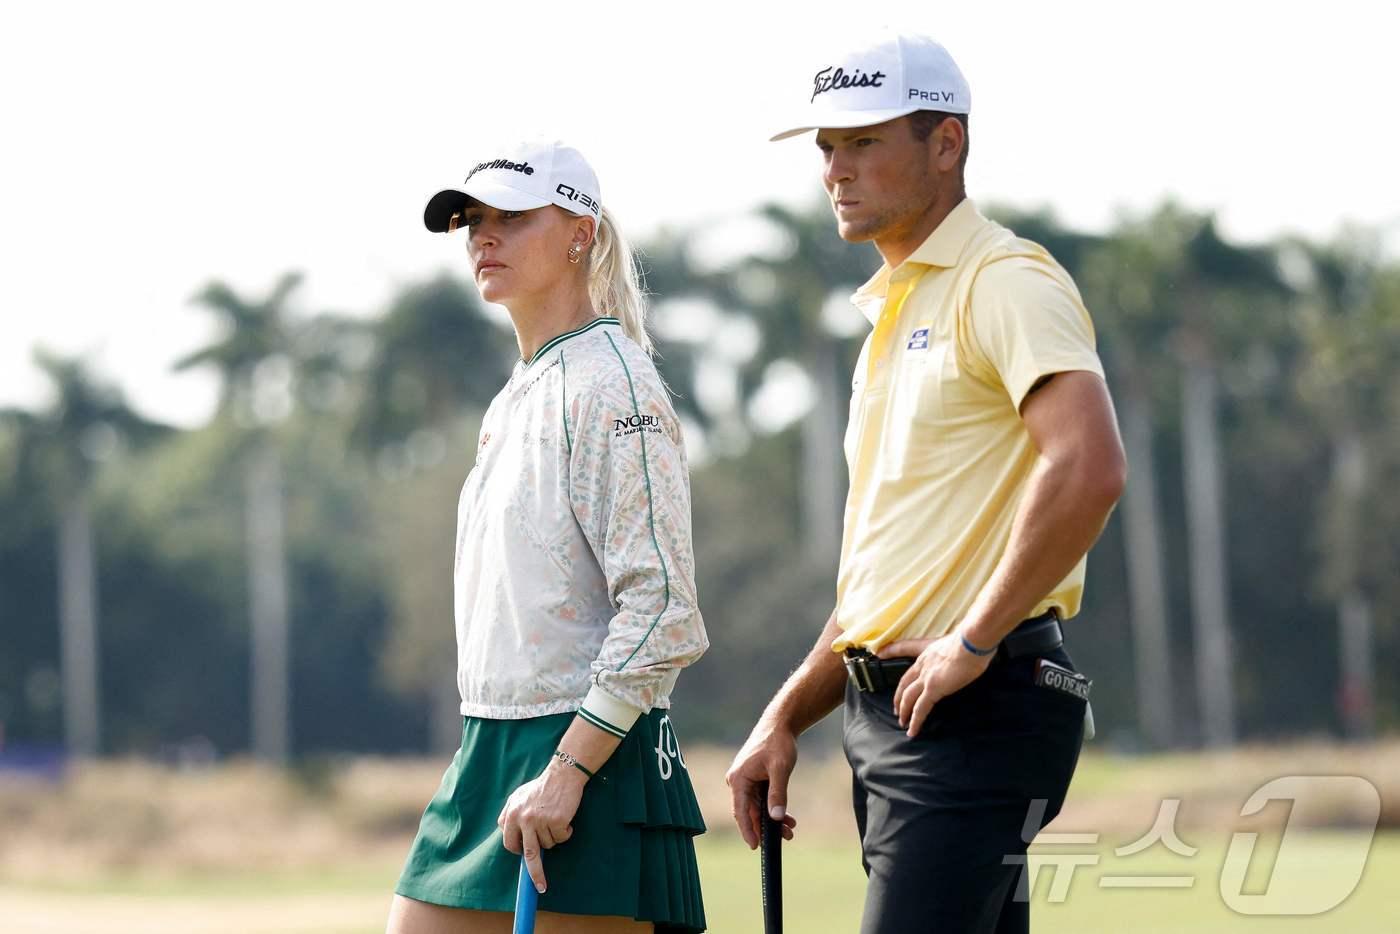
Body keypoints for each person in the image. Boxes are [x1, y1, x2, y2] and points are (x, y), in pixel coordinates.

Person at [726, 32, 1128, 934]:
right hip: (894, 720)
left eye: (864, 142)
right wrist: (785, 713)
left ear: (946, 144)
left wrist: (975, 641)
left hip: (979, 706)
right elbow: (887, 584)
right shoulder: (892, 319)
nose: (835, 169)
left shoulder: (1006, 279)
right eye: (826, 147)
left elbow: (1091, 465)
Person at [388, 140, 709, 934]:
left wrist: (568, 770)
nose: (482, 237)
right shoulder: (516, 394)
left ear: (579, 233)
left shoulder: (613, 383)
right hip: (489, 743)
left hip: (590, 756)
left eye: (510, 218)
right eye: (472, 221)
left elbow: (664, 607)